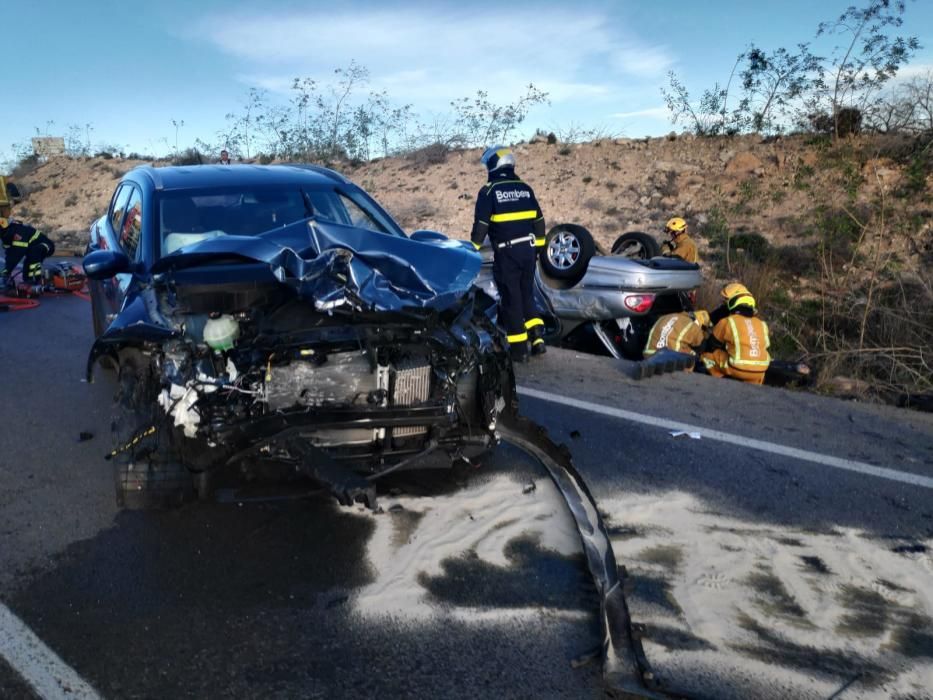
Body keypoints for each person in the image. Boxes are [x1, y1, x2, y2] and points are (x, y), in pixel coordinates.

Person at [471, 145, 547, 362]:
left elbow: (481, 225)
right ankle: (538, 338)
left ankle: (519, 351)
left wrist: (472, 249)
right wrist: (537, 248)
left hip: (508, 252)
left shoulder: (488, 191)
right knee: (526, 294)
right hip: (529, 251)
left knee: (511, 300)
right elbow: (539, 222)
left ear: (494, 165)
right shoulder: (525, 188)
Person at [700, 284, 771, 385]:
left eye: (726, 301)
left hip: (737, 369)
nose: (724, 305)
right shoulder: (762, 324)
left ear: (734, 302)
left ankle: (720, 379)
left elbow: (712, 345)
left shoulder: (728, 321)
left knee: (706, 355)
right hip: (760, 371)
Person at [1, 201, 55, 291]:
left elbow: (16, 254)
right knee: (30, 255)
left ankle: (33, 279)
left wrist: (6, 271)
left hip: (46, 246)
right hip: (32, 247)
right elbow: (9, 253)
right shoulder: (6, 234)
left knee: (33, 252)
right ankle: (29, 279)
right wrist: (7, 271)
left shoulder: (17, 232)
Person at [643, 310, 710, 369]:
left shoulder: (666, 316)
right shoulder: (693, 326)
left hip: (649, 354)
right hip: (670, 359)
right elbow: (701, 346)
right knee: (693, 355)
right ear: (701, 323)